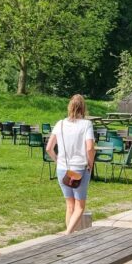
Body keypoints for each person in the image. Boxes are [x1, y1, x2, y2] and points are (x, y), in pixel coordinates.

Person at [47, 94, 96, 235]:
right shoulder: (86, 124)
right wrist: (90, 164)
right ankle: (68, 234)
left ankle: (69, 235)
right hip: (79, 168)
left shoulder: (60, 123)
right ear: (83, 108)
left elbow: (49, 148)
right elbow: (89, 148)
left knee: (69, 206)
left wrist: (57, 160)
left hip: (63, 168)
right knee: (80, 206)